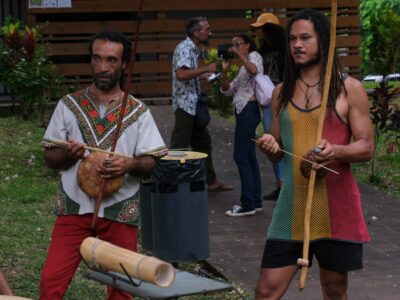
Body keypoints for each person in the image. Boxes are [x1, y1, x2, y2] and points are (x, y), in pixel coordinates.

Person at [254, 9, 374, 299]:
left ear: (324, 41)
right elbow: (277, 153)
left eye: (305, 38)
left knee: (334, 290)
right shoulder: (281, 92)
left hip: (336, 204)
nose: (297, 45)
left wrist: (337, 150)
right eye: (292, 39)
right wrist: (270, 146)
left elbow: (366, 146)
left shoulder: (348, 89)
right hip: (291, 206)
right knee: (266, 290)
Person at [40, 30, 167, 300]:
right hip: (73, 209)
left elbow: (151, 163)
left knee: (122, 288)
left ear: (124, 65)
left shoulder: (138, 111)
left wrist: (128, 164)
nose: (103, 67)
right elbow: (50, 157)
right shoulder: (68, 105)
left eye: (111, 60)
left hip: (119, 210)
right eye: (97, 59)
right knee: (51, 282)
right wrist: (70, 155)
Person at [170, 16, 233, 192]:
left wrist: (201, 76)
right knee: (179, 145)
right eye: (207, 29)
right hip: (185, 105)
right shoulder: (184, 48)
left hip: (193, 104)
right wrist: (206, 69)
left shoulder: (193, 49)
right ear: (196, 33)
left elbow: (187, 73)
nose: (210, 32)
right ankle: (171, 182)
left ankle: (210, 180)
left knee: (203, 143)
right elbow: (181, 74)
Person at [220, 35, 262, 216]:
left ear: (247, 45)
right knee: (250, 157)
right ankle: (255, 200)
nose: (234, 48)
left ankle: (247, 204)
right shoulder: (241, 68)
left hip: (249, 111)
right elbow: (227, 90)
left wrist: (239, 54)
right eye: (232, 45)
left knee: (240, 156)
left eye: (238, 45)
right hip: (242, 111)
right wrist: (225, 71)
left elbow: (254, 70)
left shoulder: (254, 57)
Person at [250, 12, 286, 201]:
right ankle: (280, 184)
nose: (258, 33)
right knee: (272, 141)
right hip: (268, 100)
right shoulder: (261, 52)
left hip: (285, 98)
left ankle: (288, 185)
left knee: (287, 142)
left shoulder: (286, 48)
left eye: (261, 28)